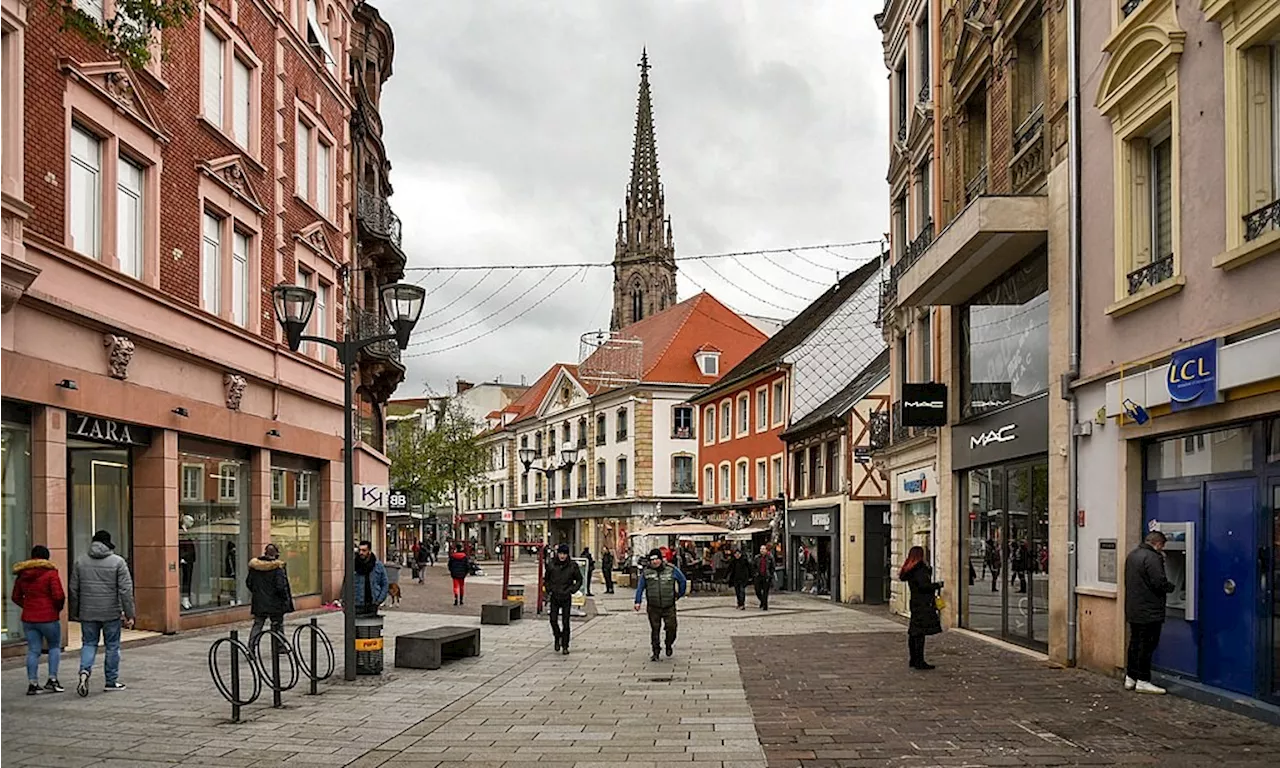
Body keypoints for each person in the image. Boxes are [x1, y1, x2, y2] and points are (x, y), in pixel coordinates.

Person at [69, 530, 135, 696]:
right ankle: (111, 681)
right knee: (112, 646)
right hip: (111, 612)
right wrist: (129, 614)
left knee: (89, 643)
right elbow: (126, 590)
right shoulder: (118, 562)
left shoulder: (80, 562)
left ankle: (84, 672)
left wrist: (76, 611)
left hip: (88, 612)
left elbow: (73, 589)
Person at [1124, 530, 1176, 694]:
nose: (1162, 549)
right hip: (1149, 610)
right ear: (1158, 544)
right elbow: (1158, 582)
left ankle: (1130, 677)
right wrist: (1172, 587)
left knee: (1135, 643)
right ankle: (1143, 680)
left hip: (1134, 608)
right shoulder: (1153, 557)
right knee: (1147, 645)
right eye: (1162, 546)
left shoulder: (1133, 555)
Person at [11, 545, 66, 695]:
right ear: (46, 557)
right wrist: (56, 609)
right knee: (54, 647)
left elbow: (15, 596)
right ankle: (52, 680)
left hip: (29, 618)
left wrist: (27, 606)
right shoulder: (50, 573)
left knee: (33, 650)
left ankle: (33, 683)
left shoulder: (22, 574)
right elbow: (59, 595)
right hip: (48, 617)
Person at [633, 548, 687, 661]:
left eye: (656, 559)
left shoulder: (671, 569)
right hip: (653, 606)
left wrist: (680, 594)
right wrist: (638, 601)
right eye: (652, 559)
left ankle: (668, 644)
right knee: (655, 629)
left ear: (661, 559)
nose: (654, 562)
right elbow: (640, 587)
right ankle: (655, 651)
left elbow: (682, 580)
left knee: (672, 628)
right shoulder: (646, 573)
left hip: (669, 605)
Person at [246, 544, 294, 656]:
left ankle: (251, 647)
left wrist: (258, 594)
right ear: (276, 554)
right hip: (275, 602)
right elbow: (281, 586)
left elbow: (249, 583)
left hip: (259, 601)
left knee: (258, 624)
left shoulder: (255, 567)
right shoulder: (277, 567)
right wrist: (284, 599)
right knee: (278, 624)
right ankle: (280, 646)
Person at [899, 545, 942, 670]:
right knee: (919, 633)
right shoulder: (919, 569)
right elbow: (924, 586)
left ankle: (914, 659)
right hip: (923, 603)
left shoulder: (910, 568)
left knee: (914, 632)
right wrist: (937, 585)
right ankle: (919, 660)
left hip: (915, 602)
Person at [545, 544, 584, 655]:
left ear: (567, 555)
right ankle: (558, 636)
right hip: (554, 596)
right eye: (561, 553)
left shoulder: (572, 566)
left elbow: (579, 580)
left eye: (564, 554)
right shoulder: (552, 564)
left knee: (565, 622)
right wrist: (549, 590)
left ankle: (565, 645)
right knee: (553, 620)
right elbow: (546, 579)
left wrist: (572, 590)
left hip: (566, 596)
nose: (562, 556)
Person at [353, 541, 389, 616]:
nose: (361, 553)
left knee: (371, 625)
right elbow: (346, 584)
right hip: (357, 604)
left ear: (369, 551)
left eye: (364, 550)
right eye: (360, 550)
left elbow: (385, 584)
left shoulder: (378, 565)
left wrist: (379, 600)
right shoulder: (353, 565)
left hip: (372, 604)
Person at [753, 545, 776, 610]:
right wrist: (755, 573)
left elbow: (772, 567)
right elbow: (754, 566)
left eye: (763, 549)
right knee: (757, 591)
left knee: (765, 592)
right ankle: (762, 601)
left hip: (766, 576)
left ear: (766, 550)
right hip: (758, 576)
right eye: (761, 549)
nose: (762, 550)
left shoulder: (770, 557)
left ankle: (765, 606)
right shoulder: (757, 557)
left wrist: (770, 575)